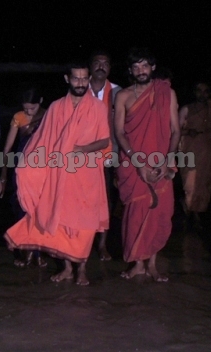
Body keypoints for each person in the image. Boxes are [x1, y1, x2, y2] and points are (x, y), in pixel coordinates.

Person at [4, 62, 111, 286]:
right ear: (67, 79)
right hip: (61, 176)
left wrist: (82, 149)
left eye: (84, 78)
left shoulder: (98, 108)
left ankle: (82, 269)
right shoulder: (56, 107)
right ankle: (68, 269)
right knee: (62, 223)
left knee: (84, 225)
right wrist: (26, 166)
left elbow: (104, 141)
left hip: (87, 176)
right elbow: (43, 141)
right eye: (76, 78)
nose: (80, 83)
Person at [114, 48, 180, 282]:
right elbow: (119, 133)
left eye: (144, 66)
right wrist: (137, 162)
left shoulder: (167, 93)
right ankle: (138, 264)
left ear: (152, 67)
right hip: (133, 163)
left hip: (160, 162)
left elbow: (175, 130)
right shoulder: (123, 96)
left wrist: (167, 159)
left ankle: (152, 264)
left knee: (158, 211)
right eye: (136, 67)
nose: (140, 70)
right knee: (135, 213)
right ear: (130, 71)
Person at [0, 86, 47, 268]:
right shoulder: (18, 117)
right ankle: (25, 250)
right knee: (22, 210)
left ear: (40, 102)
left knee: (39, 213)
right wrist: (3, 178)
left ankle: (38, 252)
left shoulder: (48, 116)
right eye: (25, 108)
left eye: (32, 108)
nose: (29, 112)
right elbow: (7, 149)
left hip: (42, 172)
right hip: (22, 171)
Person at [89, 50, 122, 261]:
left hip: (109, 155)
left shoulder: (118, 93)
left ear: (110, 68)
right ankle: (83, 241)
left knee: (106, 201)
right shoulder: (79, 88)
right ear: (90, 66)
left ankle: (102, 244)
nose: (101, 66)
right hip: (81, 157)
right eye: (97, 62)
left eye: (105, 63)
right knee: (82, 199)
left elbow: (122, 128)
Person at [177, 82, 211, 230]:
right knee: (190, 183)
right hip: (189, 149)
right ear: (194, 92)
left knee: (204, 182)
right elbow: (175, 130)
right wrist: (187, 132)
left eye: (205, 91)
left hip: (208, 149)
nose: (202, 94)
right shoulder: (186, 109)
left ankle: (196, 214)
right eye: (199, 91)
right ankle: (188, 210)